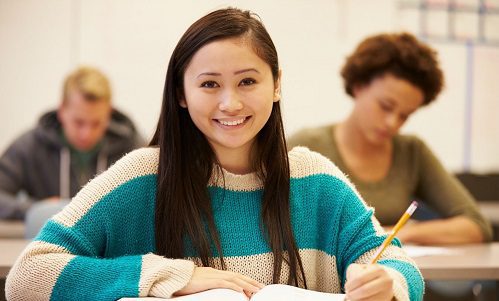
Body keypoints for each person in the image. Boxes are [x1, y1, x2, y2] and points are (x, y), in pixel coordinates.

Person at [6, 9, 423, 301]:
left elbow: (403, 269)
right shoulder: (140, 177)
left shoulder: (316, 180)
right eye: (209, 84)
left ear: (276, 85)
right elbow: (27, 277)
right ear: (181, 95)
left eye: (247, 81)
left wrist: (385, 282)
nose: (230, 103)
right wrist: (171, 277)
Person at [288, 32, 492, 245]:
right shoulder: (306, 146)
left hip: (392, 273)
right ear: (358, 86)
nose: (392, 123)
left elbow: (476, 225)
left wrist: (401, 233)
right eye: (385, 106)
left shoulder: (411, 152)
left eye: (405, 115)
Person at [0, 66, 145, 220]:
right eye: (79, 122)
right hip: (51, 241)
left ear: (109, 114)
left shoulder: (134, 149)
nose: (86, 134)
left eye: (96, 123)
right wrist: (37, 211)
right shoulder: (29, 146)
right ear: (62, 111)